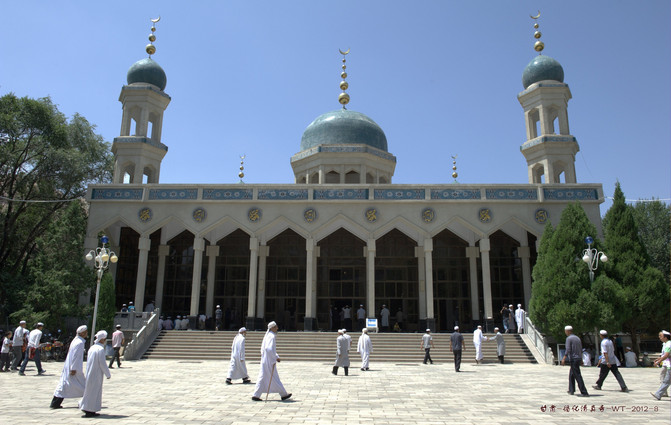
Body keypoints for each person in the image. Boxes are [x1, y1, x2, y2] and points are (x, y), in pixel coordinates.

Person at [252, 321, 291, 401]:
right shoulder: (271, 336)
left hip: (265, 360)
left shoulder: (268, 336)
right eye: (275, 327)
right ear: (272, 328)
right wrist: (275, 357)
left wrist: (275, 356)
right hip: (269, 361)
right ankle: (283, 394)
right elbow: (269, 349)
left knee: (263, 376)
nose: (277, 328)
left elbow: (265, 349)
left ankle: (256, 395)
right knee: (274, 377)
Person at [51, 325, 88, 408]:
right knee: (84, 387)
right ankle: (86, 404)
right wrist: (74, 368)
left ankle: (56, 403)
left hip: (72, 367)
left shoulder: (77, 341)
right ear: (82, 333)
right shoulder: (79, 343)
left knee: (66, 386)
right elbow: (76, 356)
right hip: (75, 369)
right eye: (86, 332)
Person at [79, 330, 112, 417]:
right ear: (102, 340)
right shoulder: (100, 349)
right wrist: (107, 374)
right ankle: (89, 409)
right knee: (94, 391)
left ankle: (90, 408)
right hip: (96, 373)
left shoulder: (92, 348)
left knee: (90, 391)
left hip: (90, 372)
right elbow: (102, 363)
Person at [561, 325, 589, 397]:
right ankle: (571, 389)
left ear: (568, 331)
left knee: (577, 375)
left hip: (573, 358)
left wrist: (564, 358)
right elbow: (580, 349)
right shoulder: (577, 338)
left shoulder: (569, 338)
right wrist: (581, 359)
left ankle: (584, 392)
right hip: (578, 358)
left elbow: (568, 349)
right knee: (572, 374)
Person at [651, 330, 671, 400]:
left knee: (666, 381)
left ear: (666, 337)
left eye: (661, 336)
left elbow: (666, 355)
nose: (660, 337)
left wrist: (659, 361)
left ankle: (658, 394)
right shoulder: (667, 343)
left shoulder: (669, 344)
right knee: (667, 381)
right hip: (668, 366)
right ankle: (659, 394)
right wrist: (659, 359)